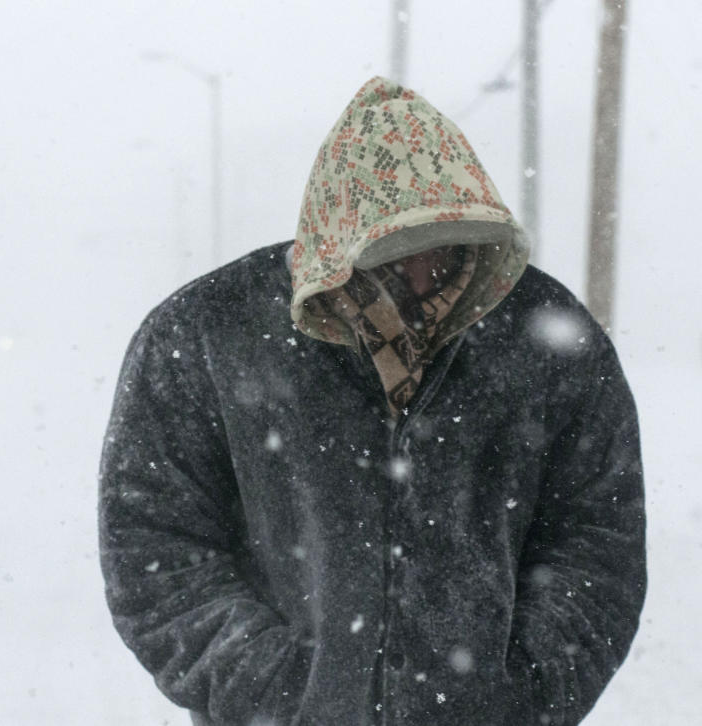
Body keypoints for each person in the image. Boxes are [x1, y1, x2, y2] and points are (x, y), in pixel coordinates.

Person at [98, 76, 646, 726]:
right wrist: (281, 693)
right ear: (340, 239)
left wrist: (518, 694)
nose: (420, 273)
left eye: (443, 245)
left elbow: (597, 545)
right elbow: (153, 546)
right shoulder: (211, 334)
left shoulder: (548, 340)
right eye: (392, 252)